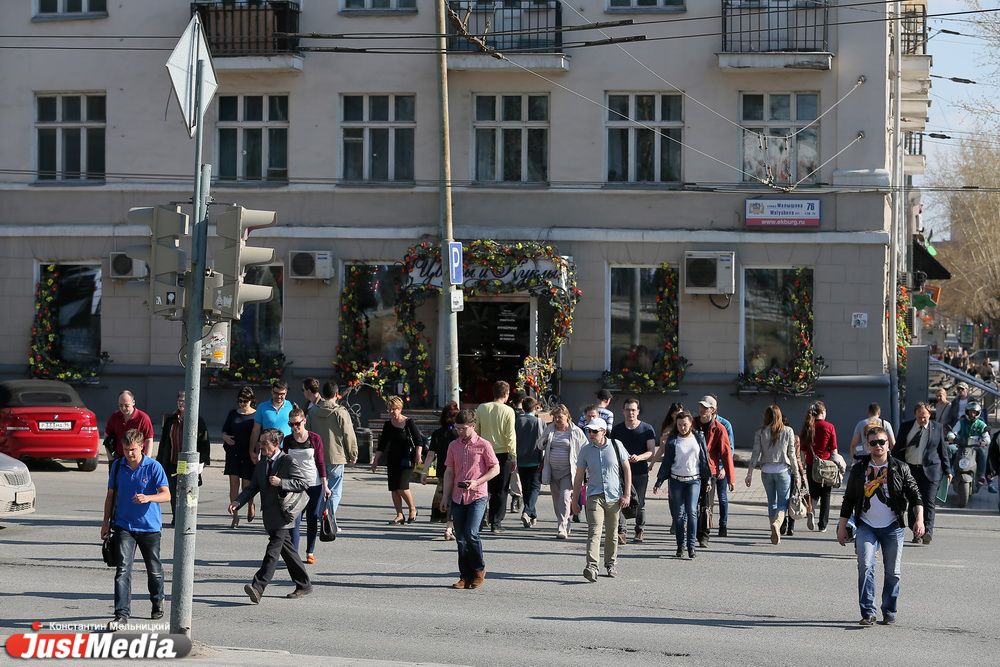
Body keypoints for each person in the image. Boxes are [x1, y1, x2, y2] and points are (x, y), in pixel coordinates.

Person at [837, 425, 924, 626]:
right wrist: (842, 527)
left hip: (893, 526)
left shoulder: (900, 467)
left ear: (888, 444)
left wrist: (918, 520)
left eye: (881, 442)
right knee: (865, 565)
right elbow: (848, 499)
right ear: (867, 446)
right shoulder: (859, 469)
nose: (878, 446)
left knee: (893, 572)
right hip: (866, 526)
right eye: (873, 442)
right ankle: (868, 612)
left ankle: (889, 610)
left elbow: (915, 495)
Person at [229, 428, 313, 603]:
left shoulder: (287, 460)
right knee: (288, 551)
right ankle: (304, 584)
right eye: (260, 442)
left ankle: (258, 587)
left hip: (283, 515)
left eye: (264, 443)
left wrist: (282, 482)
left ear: (276, 444)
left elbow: (303, 483)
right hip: (270, 515)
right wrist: (238, 502)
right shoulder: (261, 463)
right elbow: (253, 487)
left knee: (272, 551)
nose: (261, 446)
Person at [102, 429, 170, 630]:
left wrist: (148, 497)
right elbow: (110, 495)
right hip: (124, 526)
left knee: (154, 570)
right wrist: (105, 522)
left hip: (149, 527)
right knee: (122, 570)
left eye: (132, 449)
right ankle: (121, 614)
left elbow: (166, 495)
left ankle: (157, 600)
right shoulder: (117, 467)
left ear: (142, 446)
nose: (129, 453)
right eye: (125, 449)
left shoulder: (153, 466)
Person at [440, 409, 500, 589]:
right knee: (460, 538)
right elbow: (449, 472)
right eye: (457, 428)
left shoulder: (484, 445)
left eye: (463, 428)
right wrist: (445, 497)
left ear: (473, 426)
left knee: (471, 533)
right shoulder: (453, 445)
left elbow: (495, 469)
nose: (460, 432)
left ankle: (478, 571)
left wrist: (476, 482)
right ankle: (464, 576)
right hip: (458, 497)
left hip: (477, 496)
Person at [571, 417, 631, 580]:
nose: (590, 434)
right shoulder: (585, 450)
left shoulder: (616, 446)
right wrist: (575, 500)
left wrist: (627, 494)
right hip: (594, 495)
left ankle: (610, 564)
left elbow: (627, 469)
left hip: (613, 496)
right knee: (594, 531)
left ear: (603, 432)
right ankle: (591, 566)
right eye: (589, 431)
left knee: (612, 533)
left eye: (594, 431)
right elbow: (578, 477)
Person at [893, 402, 952, 545]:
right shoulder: (906, 427)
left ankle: (928, 532)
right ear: (915, 415)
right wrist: (897, 468)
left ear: (929, 415)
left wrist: (948, 470)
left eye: (924, 417)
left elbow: (942, 450)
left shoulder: (937, 428)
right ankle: (916, 533)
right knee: (914, 501)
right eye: (919, 417)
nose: (922, 420)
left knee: (929, 502)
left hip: (931, 470)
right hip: (910, 470)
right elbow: (897, 450)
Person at [653, 410, 709, 559]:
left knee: (692, 511)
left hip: (694, 480)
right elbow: (667, 462)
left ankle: (691, 546)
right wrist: (659, 482)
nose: (682, 428)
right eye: (679, 425)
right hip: (676, 481)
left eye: (685, 425)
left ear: (691, 423)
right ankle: (680, 546)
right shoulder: (673, 440)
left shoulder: (699, 437)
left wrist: (707, 479)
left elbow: (704, 459)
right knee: (678, 515)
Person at [745, 405, 799, 545]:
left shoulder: (761, 432)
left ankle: (772, 528)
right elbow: (791, 454)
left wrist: (749, 473)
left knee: (771, 501)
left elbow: (755, 453)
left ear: (766, 416)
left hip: (766, 471)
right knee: (783, 502)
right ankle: (777, 523)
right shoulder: (788, 431)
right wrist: (797, 472)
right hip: (782, 470)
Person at [306, 382, 358, 526]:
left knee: (320, 489)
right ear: (336, 394)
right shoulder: (341, 412)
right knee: (334, 490)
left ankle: (321, 517)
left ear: (323, 394)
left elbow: (307, 434)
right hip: (336, 455)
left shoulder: (313, 411)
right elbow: (348, 434)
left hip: (317, 456)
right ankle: (328, 520)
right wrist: (353, 453)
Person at [155, 390, 210, 526]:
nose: (181, 403)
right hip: (174, 462)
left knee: (189, 490)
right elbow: (164, 442)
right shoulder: (171, 420)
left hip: (189, 464)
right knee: (173, 491)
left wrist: (202, 461)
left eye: (184, 401)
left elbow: (204, 442)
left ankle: (188, 517)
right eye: (179, 400)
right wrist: (160, 460)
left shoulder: (197, 420)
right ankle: (177, 517)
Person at [283, 407, 328, 564]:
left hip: (313, 484)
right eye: (291, 424)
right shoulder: (288, 440)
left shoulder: (315, 438)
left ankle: (310, 552)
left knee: (312, 518)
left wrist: (325, 484)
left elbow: (320, 462)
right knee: (294, 519)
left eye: (297, 424)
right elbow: (284, 461)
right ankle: (293, 553)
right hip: (295, 485)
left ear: (304, 421)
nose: (294, 427)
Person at [371, 395, 423, 525]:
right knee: (394, 488)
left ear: (400, 409)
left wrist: (418, 455)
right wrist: (376, 461)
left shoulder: (408, 422)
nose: (392, 412)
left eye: (394, 409)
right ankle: (399, 514)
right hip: (392, 458)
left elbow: (418, 440)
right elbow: (382, 444)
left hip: (407, 459)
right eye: (389, 409)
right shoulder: (388, 425)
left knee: (402, 486)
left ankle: (413, 508)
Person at [610, 398, 656, 544]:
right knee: (622, 500)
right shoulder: (617, 430)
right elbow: (612, 450)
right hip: (621, 472)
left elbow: (651, 451)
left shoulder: (647, 429)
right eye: (628, 409)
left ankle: (639, 530)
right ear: (623, 411)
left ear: (638, 411)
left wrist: (639, 457)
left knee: (639, 502)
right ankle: (621, 532)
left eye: (633, 410)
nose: (630, 412)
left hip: (640, 471)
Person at [540, 404, 588, 539]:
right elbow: (539, 445)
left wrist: (584, 468)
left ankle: (562, 528)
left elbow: (585, 448)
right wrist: (544, 441)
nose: (557, 420)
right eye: (555, 417)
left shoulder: (575, 431)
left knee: (565, 497)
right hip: (553, 471)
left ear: (567, 416)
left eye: (560, 417)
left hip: (568, 471)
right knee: (557, 501)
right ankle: (566, 523)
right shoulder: (550, 429)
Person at [476, 381, 517, 533]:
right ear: (506, 394)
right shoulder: (508, 411)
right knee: (501, 490)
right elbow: (510, 435)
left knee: (484, 488)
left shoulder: (482, 408)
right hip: (502, 453)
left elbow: (477, 430)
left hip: (483, 453)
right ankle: (496, 522)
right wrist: (513, 456)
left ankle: (479, 519)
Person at [696, 396, 734, 543]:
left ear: (713, 410)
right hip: (691, 470)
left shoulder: (720, 427)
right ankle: (692, 533)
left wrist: (730, 477)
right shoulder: (691, 423)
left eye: (705, 407)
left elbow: (726, 452)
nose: (702, 410)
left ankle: (704, 535)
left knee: (706, 505)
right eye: (701, 406)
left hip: (710, 471)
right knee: (691, 505)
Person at [222, 386, 258, 529]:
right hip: (233, 453)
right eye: (241, 401)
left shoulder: (256, 415)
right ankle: (235, 516)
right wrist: (224, 437)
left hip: (248, 454)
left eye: (246, 401)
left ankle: (250, 505)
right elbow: (224, 430)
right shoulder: (232, 413)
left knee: (246, 486)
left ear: (251, 401)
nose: (243, 403)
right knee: (234, 486)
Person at [422, 402, 460, 539]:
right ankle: (450, 528)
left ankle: (450, 526)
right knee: (454, 499)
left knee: (447, 498)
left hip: (443, 471)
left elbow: (431, 454)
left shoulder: (437, 433)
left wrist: (424, 472)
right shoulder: (460, 434)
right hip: (458, 471)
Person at [801, 401, 838, 532]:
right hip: (827, 465)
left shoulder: (807, 426)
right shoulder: (829, 426)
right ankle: (822, 525)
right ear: (823, 412)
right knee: (826, 495)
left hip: (812, 464)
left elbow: (803, 449)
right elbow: (833, 449)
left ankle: (810, 511)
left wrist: (804, 464)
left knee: (814, 494)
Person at [514, 395, 545, 529]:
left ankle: (532, 514)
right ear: (535, 408)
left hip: (521, 459)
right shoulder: (539, 422)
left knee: (526, 488)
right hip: (535, 458)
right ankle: (527, 511)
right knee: (535, 487)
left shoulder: (517, 421)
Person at [946, 401, 991, 491]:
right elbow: (954, 431)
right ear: (967, 412)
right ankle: (949, 473)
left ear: (978, 413)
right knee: (949, 448)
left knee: (982, 452)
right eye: (970, 412)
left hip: (975, 447)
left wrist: (984, 441)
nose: (972, 414)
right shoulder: (961, 422)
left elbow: (987, 437)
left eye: (974, 412)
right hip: (961, 446)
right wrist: (951, 436)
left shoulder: (981, 424)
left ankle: (981, 475)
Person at [780, 415, 812, 538]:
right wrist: (801, 474)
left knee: (783, 499)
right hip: (793, 471)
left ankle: (783, 522)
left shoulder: (776, 437)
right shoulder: (795, 438)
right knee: (794, 498)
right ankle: (791, 528)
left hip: (782, 471)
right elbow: (797, 458)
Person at [250, 379, 294, 464]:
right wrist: (252, 451)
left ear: (286, 392)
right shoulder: (262, 407)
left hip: (285, 450)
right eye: (276, 393)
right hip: (267, 449)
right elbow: (255, 431)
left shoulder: (291, 406)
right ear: (272, 391)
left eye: (282, 394)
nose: (279, 396)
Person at [105, 390, 154, 460]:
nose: (123, 408)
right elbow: (106, 436)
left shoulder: (143, 418)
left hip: (137, 459)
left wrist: (147, 459)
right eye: (120, 405)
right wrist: (110, 457)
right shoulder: (115, 416)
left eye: (126, 405)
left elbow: (149, 440)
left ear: (133, 402)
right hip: (118, 458)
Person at [849, 403, 896, 468]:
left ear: (868, 412)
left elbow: (853, 444)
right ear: (879, 412)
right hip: (882, 455)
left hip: (864, 454)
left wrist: (852, 459)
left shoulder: (861, 424)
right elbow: (893, 444)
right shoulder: (886, 424)